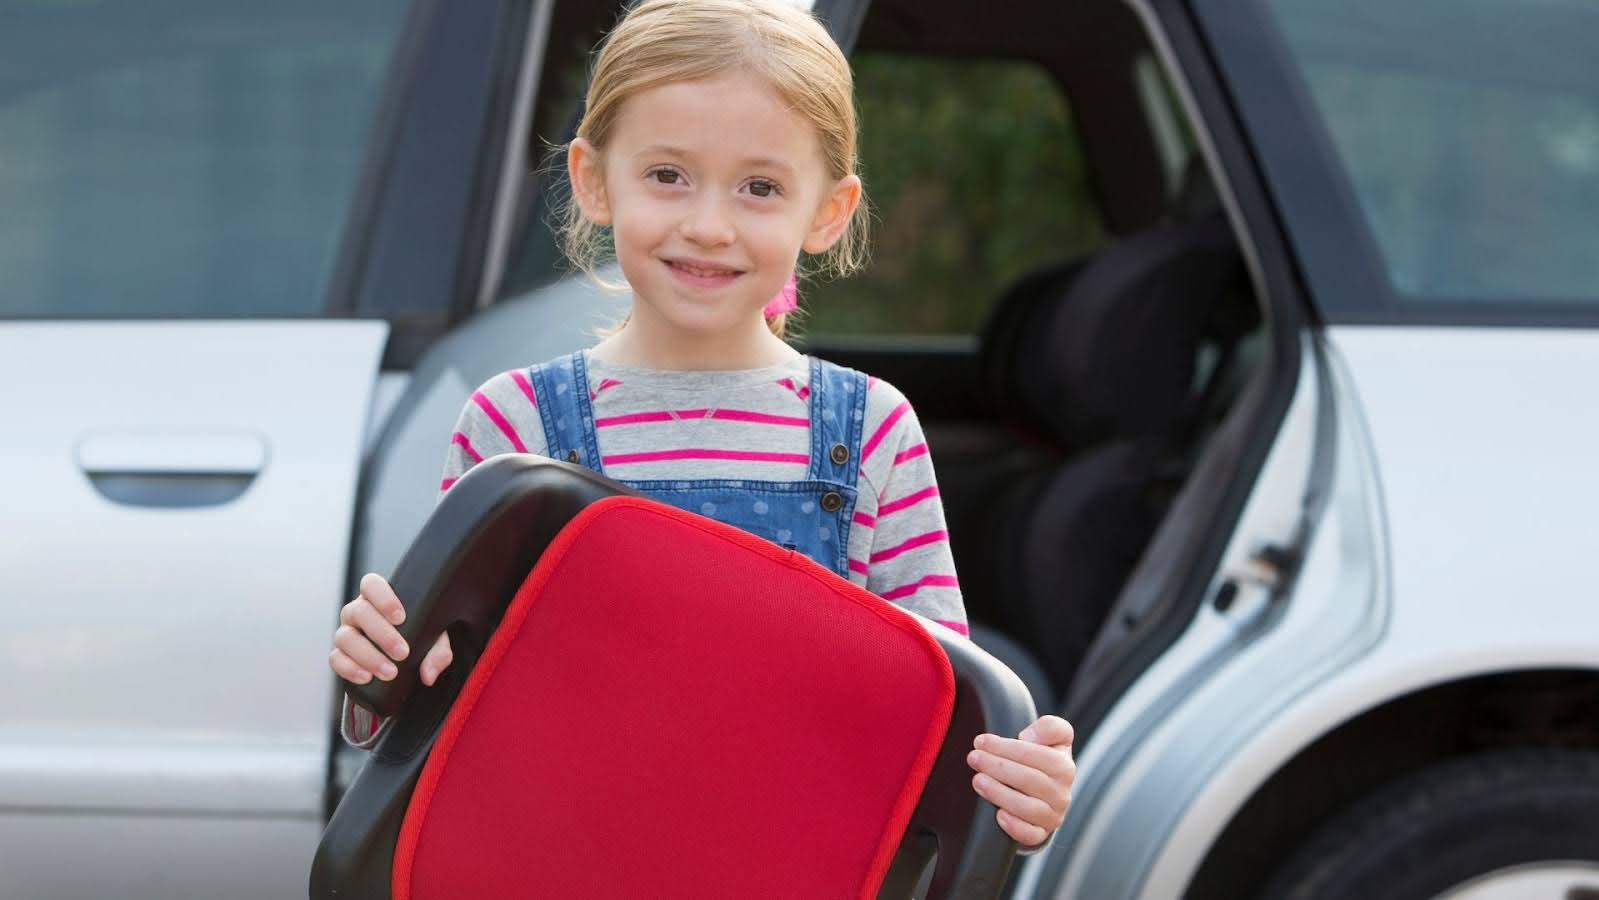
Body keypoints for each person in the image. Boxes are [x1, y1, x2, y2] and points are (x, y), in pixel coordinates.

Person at [328, 0, 1075, 852]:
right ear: (593, 180)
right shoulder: (516, 421)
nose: (709, 225)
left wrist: (1022, 790)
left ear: (827, 212)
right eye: (668, 175)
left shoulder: (871, 432)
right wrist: (381, 666)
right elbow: (438, 709)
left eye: (760, 187)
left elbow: (940, 719)